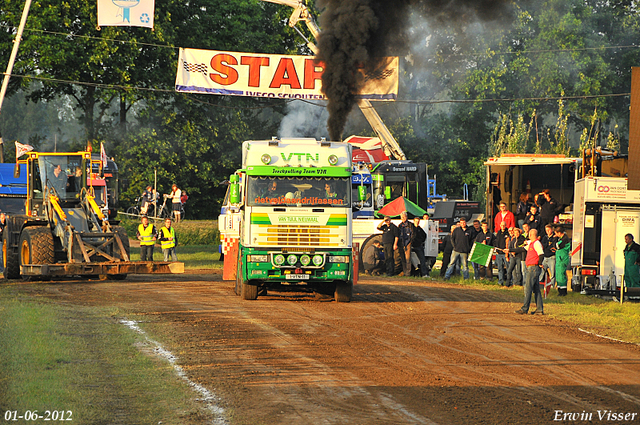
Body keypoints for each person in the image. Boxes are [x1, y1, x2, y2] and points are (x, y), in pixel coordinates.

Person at [516, 229, 545, 315]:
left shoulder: (536, 243)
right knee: (536, 290)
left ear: (531, 234)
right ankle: (539, 309)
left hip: (533, 268)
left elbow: (541, 254)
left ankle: (525, 308)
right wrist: (509, 250)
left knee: (528, 288)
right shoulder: (532, 244)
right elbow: (522, 249)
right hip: (532, 268)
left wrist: (539, 263)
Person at [395, 211, 415, 277]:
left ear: (406, 217)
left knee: (408, 259)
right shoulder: (400, 226)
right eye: (402, 217)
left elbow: (413, 234)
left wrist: (410, 242)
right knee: (403, 259)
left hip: (408, 243)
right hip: (401, 244)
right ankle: (404, 271)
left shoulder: (410, 225)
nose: (403, 218)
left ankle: (408, 273)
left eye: (404, 217)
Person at [539, 224, 557, 291]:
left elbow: (552, 246)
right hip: (545, 257)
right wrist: (547, 245)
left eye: (549, 230)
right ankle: (539, 284)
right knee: (542, 271)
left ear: (552, 230)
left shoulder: (554, 237)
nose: (548, 231)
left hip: (552, 257)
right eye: (546, 230)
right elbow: (543, 245)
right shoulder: (545, 237)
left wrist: (548, 246)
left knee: (552, 273)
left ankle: (552, 285)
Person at [554, 225, 571, 296]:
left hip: (562, 258)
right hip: (559, 258)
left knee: (561, 274)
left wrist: (554, 241)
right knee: (558, 274)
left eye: (556, 233)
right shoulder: (561, 238)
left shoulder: (564, 239)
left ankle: (563, 291)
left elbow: (557, 246)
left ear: (559, 233)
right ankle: (559, 288)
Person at [494, 220, 510, 286]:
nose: (503, 226)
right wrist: (497, 251)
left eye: (504, 225)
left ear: (505, 226)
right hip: (499, 253)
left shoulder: (508, 233)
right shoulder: (498, 233)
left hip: (505, 253)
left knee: (508, 268)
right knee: (500, 268)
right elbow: (496, 242)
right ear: (500, 226)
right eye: (501, 225)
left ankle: (509, 281)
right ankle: (500, 281)